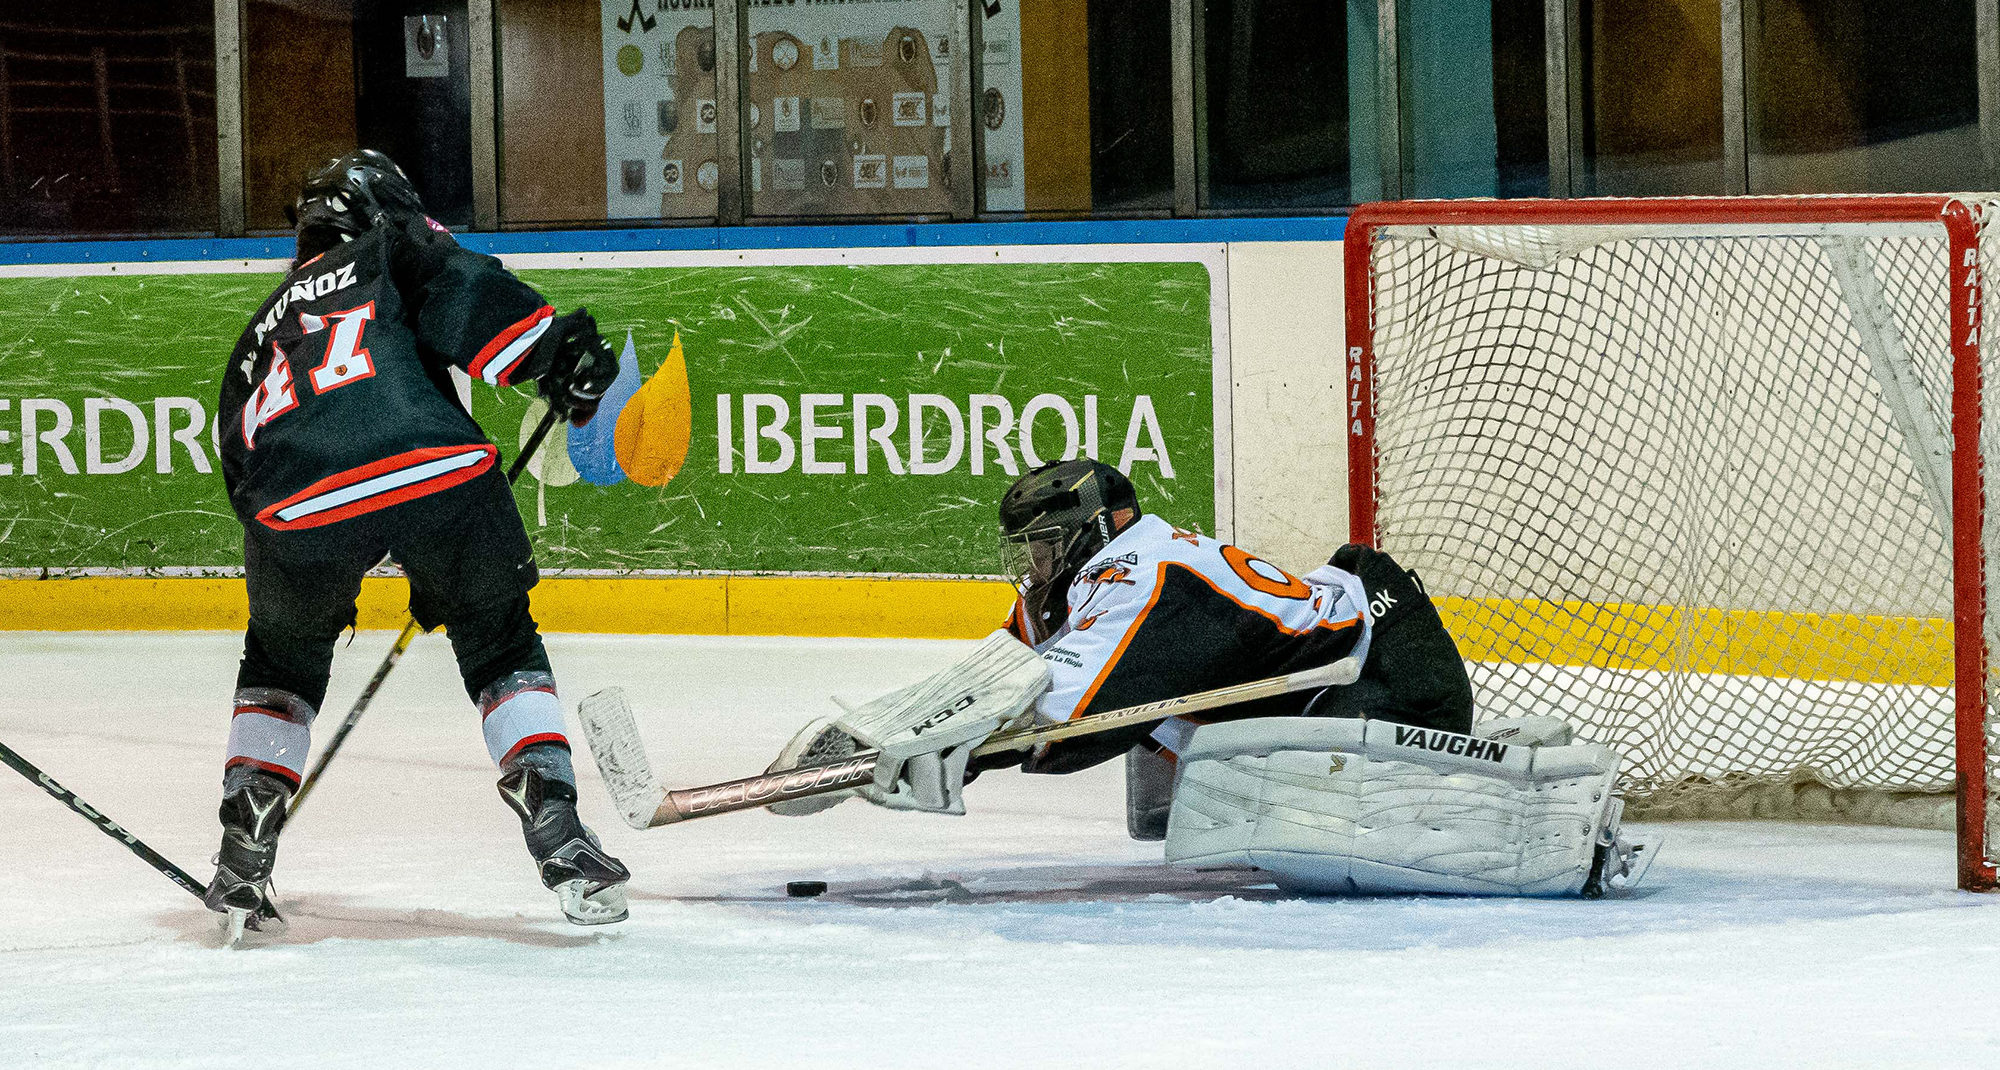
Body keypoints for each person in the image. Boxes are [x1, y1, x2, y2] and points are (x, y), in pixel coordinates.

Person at [766, 459, 1651, 897]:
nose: (1034, 563)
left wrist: (950, 755)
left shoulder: (1144, 575)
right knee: (1240, 768)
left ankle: (1521, 809)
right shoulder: (1087, 583)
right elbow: (1002, 677)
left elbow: (1072, 716)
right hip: (1323, 669)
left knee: (1319, 829)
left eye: (1044, 543)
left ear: (1089, 529)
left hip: (1386, 664)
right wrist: (886, 735)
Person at [208, 150, 630, 936]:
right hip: (431, 467)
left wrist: (298, 555)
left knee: (279, 661)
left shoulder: (258, 333)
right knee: (499, 643)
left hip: (291, 507)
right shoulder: (389, 246)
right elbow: (463, 293)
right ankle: (553, 817)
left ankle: (246, 831)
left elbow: (239, 462)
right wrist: (555, 357)